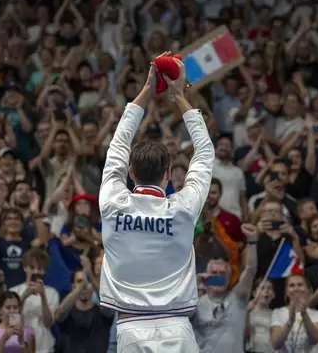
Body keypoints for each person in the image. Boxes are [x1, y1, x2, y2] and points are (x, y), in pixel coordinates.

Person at [98, 55, 214, 353]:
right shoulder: (184, 208)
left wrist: (146, 91)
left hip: (131, 329)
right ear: (168, 174)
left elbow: (118, 145)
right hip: (179, 329)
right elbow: (204, 151)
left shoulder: (113, 202)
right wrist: (179, 96)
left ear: (131, 172)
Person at [192, 223, 259, 352]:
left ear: (229, 278)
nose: (218, 277)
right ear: (206, 276)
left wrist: (252, 242)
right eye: (214, 273)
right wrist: (193, 284)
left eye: (222, 274)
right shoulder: (195, 303)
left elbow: (250, 269)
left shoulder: (238, 297)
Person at [270, 273, 318, 353]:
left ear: (308, 290)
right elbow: (276, 344)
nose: (296, 288)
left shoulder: (317, 314)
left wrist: (304, 314)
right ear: (286, 291)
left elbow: (315, 339)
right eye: (291, 285)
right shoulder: (277, 312)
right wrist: (290, 321)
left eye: (300, 285)